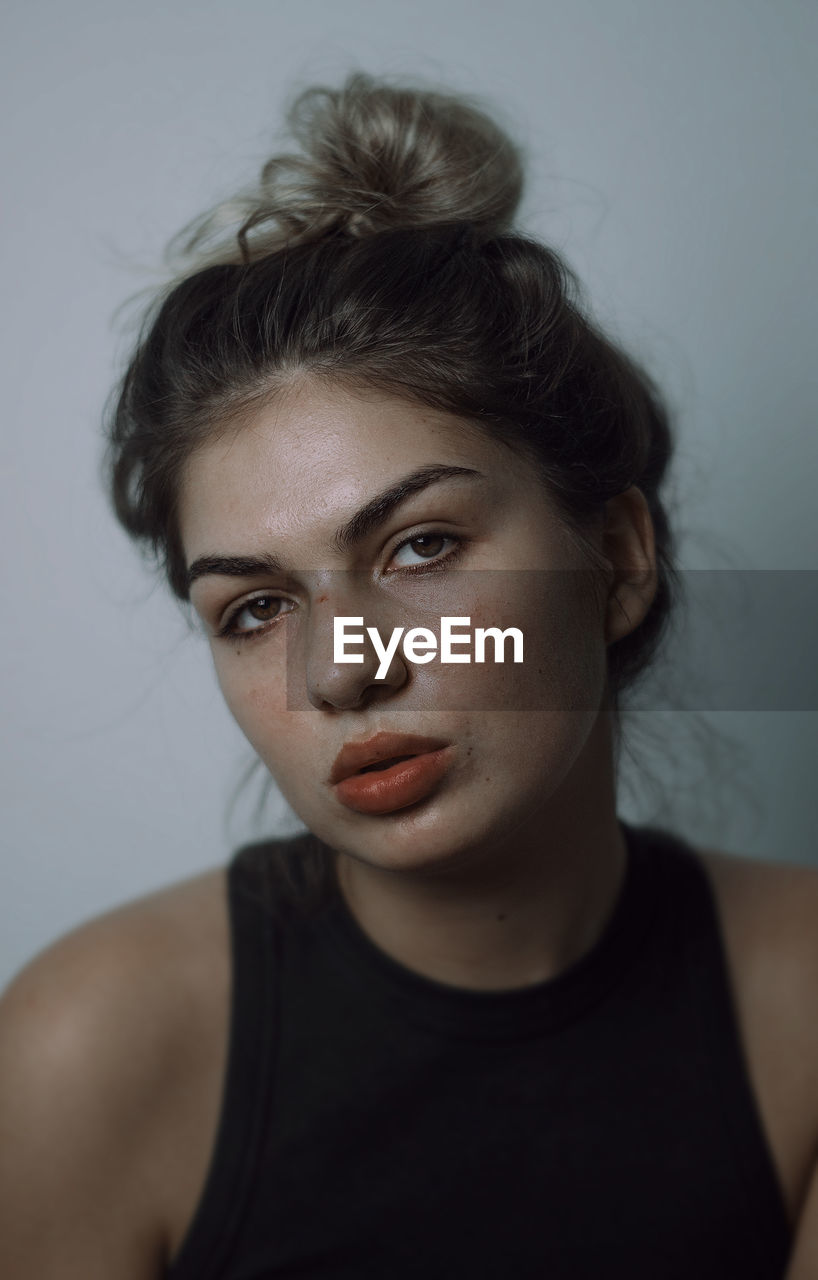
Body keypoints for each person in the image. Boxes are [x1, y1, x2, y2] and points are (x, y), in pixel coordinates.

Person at [0, 70, 816, 1280]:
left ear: (618, 557)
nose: (340, 669)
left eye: (419, 544)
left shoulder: (802, 999)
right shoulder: (84, 1047)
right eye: (257, 606)